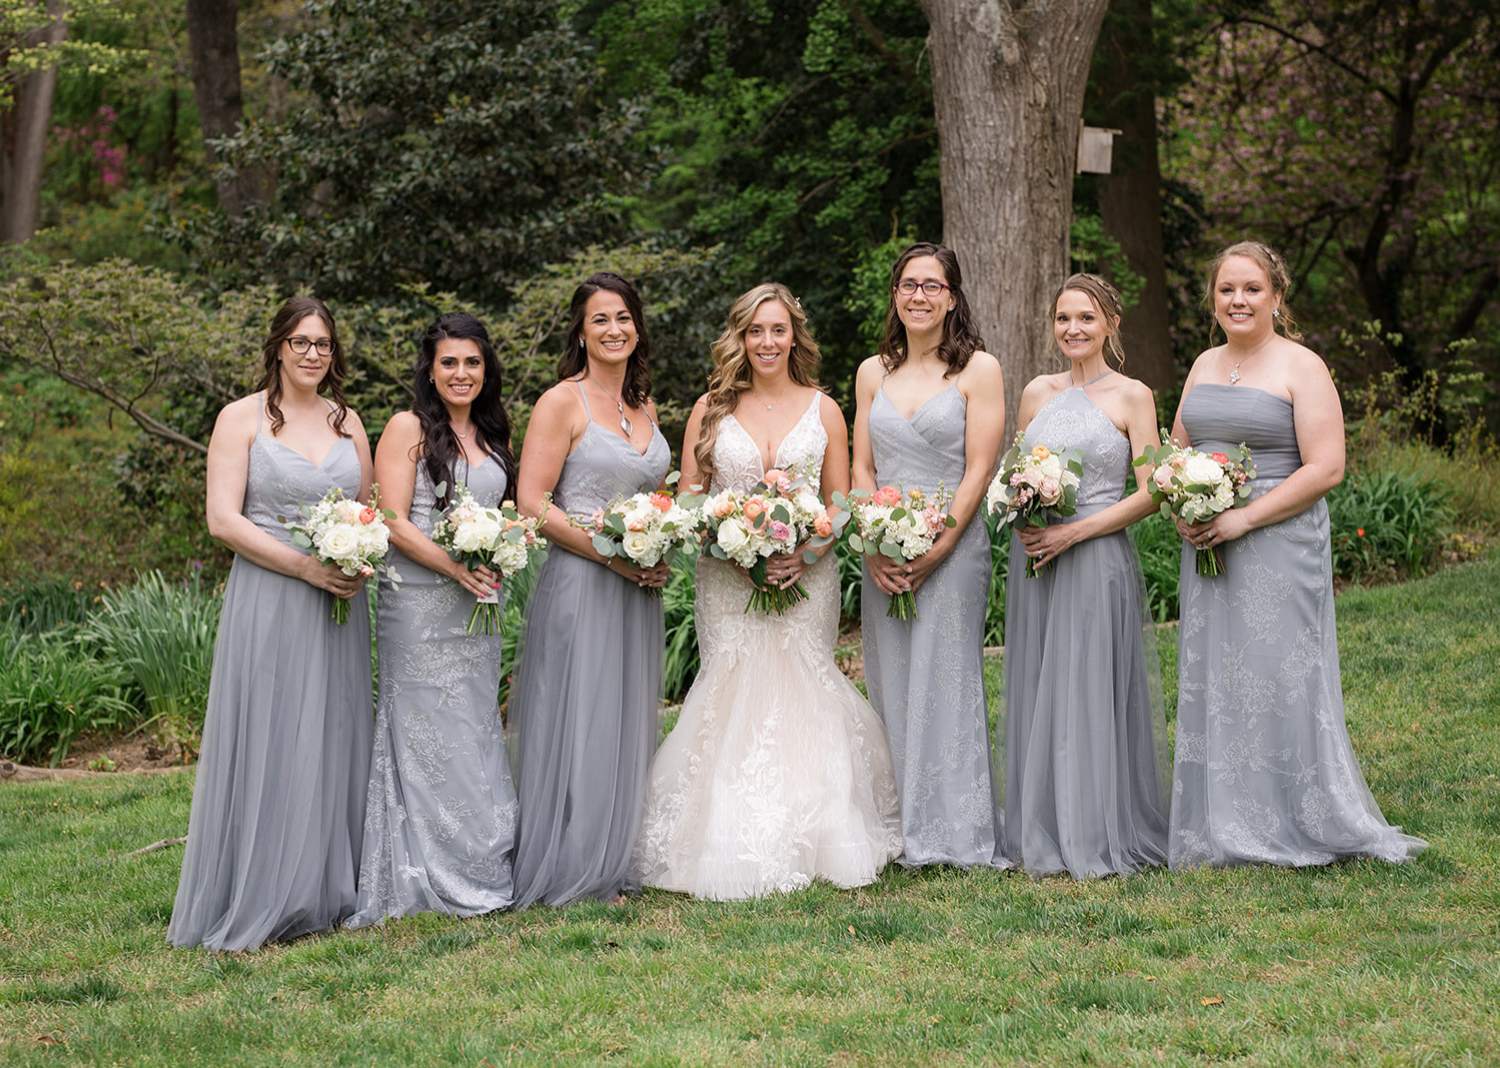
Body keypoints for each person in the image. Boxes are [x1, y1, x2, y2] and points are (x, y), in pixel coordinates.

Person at [632, 282, 902, 900]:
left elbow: (840, 501)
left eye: (778, 330)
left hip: (810, 577)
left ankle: (823, 830)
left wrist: (805, 553)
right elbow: (692, 498)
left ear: (794, 336)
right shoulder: (711, 409)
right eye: (756, 331)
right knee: (733, 682)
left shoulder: (824, 409)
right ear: (740, 338)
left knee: (803, 683)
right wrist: (733, 545)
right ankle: (722, 838)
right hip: (727, 580)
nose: (767, 342)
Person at [1168, 241, 1426, 868]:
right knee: (1219, 675)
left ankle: (1294, 816)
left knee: (1278, 674)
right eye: (1227, 289)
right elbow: (1175, 449)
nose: (1238, 300)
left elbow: (1328, 467)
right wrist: (1184, 506)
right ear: (1213, 298)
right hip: (1207, 544)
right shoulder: (1203, 363)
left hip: (1276, 541)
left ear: (1277, 297)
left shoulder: (1302, 365)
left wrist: (1243, 518)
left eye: (1252, 288)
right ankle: (1220, 820)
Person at [168, 297, 374, 951]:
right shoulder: (240, 419)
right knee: (272, 731)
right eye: (301, 342)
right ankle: (262, 889)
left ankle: (326, 888)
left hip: (338, 601)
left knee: (331, 731)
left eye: (323, 344)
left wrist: (355, 556)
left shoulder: (350, 422)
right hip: (270, 596)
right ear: (278, 347)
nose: (314, 353)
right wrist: (303, 567)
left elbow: (365, 512)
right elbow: (223, 521)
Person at [348, 312, 521, 927]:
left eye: (472, 362)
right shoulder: (407, 428)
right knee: (423, 727)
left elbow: (504, 514)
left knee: (473, 725)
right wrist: (455, 566)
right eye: (449, 362)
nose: (461, 373)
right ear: (429, 368)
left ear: (485, 369)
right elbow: (393, 520)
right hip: (419, 602)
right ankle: (423, 872)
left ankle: (479, 861)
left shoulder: (495, 434)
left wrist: (497, 551)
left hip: (477, 604)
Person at [508, 272, 672, 907]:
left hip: (638, 584)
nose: (614, 330)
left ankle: (614, 853)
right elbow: (531, 502)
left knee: (626, 713)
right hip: (582, 581)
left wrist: (656, 544)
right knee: (580, 713)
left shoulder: (645, 407)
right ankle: (573, 862)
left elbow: (654, 497)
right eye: (600, 319)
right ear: (580, 331)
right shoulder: (561, 403)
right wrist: (611, 555)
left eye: (624, 317)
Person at [1000, 274, 1171, 878]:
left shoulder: (1133, 396)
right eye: (1063, 318)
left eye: (1086, 318)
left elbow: (1153, 492)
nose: (1073, 329)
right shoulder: (1034, 393)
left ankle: (1094, 827)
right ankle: (1041, 822)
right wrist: (1023, 512)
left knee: (1089, 687)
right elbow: (1015, 473)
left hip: (1096, 557)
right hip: (1037, 562)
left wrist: (1075, 530)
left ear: (1111, 325)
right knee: (1042, 682)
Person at [851, 242, 1007, 869]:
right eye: (908, 284)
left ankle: (954, 830)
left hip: (955, 544)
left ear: (952, 297)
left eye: (932, 286)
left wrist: (940, 547)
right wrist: (874, 541)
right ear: (895, 295)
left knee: (946, 679)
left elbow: (979, 469)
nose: (919, 295)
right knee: (892, 678)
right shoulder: (872, 372)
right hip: (885, 547)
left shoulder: (979, 371)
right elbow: (863, 466)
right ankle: (899, 826)